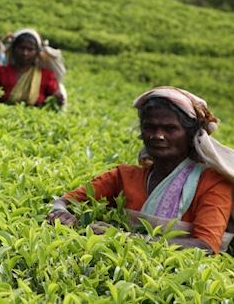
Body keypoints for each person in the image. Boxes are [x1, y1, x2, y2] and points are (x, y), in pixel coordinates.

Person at [47, 87, 234, 254]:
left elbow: (205, 245)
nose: (158, 136)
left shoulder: (213, 182)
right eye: (149, 127)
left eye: (170, 129)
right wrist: (61, 213)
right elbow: (64, 201)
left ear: (191, 134)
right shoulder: (123, 176)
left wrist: (123, 239)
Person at [0, 28, 66, 107]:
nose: (25, 53)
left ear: (37, 52)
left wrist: (58, 98)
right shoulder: (1, 72)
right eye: (21, 48)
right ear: (13, 49)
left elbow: (53, 96)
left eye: (30, 49)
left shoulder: (46, 75)